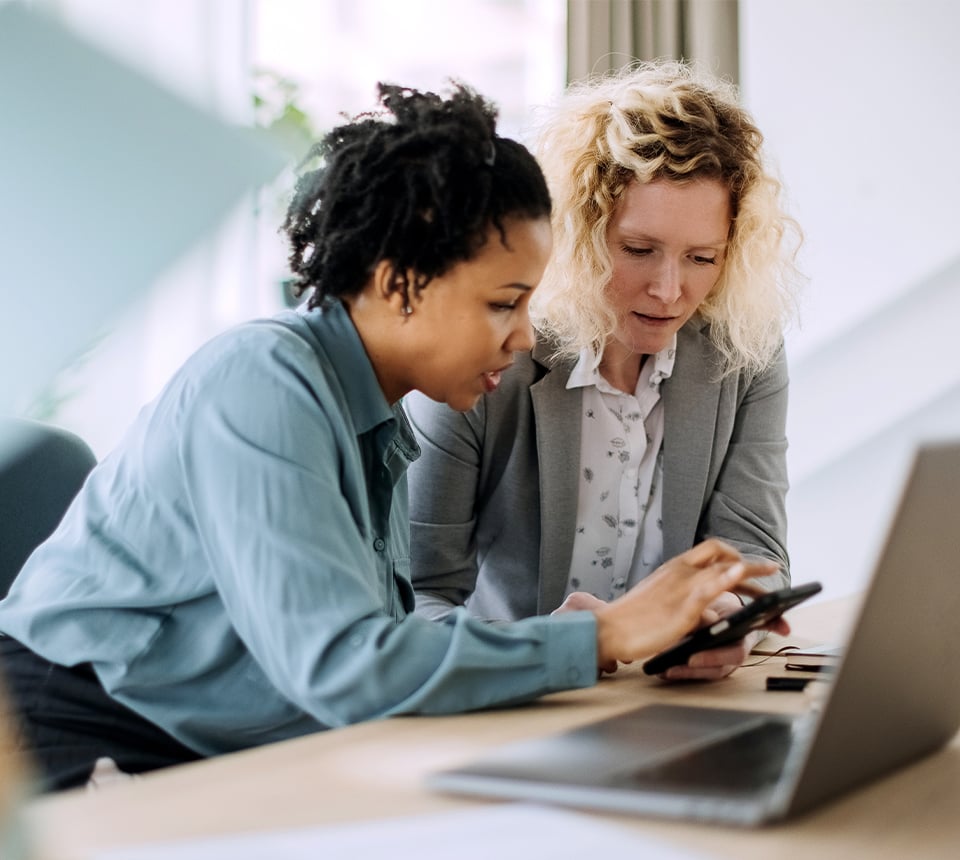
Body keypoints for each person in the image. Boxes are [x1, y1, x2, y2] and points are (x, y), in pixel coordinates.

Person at [0, 82, 775, 793]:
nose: (523, 337)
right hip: (71, 739)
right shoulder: (263, 381)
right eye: (504, 303)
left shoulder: (367, 410)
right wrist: (601, 636)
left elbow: (382, 645)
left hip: (215, 744)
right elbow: (343, 667)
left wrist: (568, 638)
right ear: (400, 282)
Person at [406, 61, 803, 681]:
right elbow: (413, 596)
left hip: (667, 704)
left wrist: (730, 614)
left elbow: (753, 551)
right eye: (638, 250)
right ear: (579, 234)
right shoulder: (485, 356)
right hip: (511, 702)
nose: (670, 290)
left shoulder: (742, 351)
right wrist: (550, 649)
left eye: (702, 258)